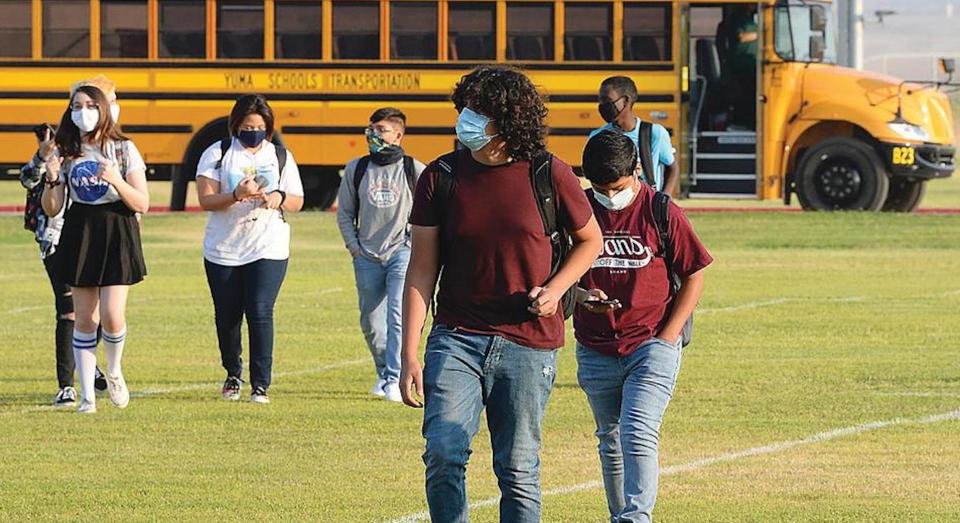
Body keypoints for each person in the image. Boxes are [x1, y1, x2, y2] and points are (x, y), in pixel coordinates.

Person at [399, 66, 603, 522]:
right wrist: (408, 351)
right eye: (464, 108)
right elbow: (422, 268)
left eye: (477, 110)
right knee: (444, 453)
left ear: (507, 118)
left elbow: (591, 240)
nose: (465, 118)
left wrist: (555, 290)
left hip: (529, 343)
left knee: (518, 468)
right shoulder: (441, 176)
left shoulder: (549, 173)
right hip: (456, 337)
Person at [574, 131, 712, 522]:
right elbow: (561, 273)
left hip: (651, 341)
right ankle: (621, 515)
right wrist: (584, 299)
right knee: (611, 440)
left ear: (637, 170)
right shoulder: (580, 210)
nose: (608, 195)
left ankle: (636, 518)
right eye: (599, 187)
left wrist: (668, 338)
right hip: (595, 344)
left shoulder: (661, 211)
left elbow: (695, 274)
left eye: (615, 187)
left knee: (637, 431)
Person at [40, 85, 149, 414]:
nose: (82, 111)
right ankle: (87, 397)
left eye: (90, 105)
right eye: (76, 106)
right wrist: (52, 179)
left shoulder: (123, 149)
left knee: (113, 316)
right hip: (80, 230)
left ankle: (114, 371)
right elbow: (52, 208)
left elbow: (141, 202)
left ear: (104, 109)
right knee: (85, 319)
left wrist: (116, 180)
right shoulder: (67, 150)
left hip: (116, 229)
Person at [196, 94, 304, 405]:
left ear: (268, 129)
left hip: (267, 246)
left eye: (258, 126)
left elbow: (297, 200)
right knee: (227, 316)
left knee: (260, 311)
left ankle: (261, 384)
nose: (252, 132)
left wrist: (279, 197)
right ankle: (232, 372)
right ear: (235, 125)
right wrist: (235, 194)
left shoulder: (280, 156)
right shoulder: (218, 153)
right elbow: (205, 199)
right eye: (246, 126)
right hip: (223, 247)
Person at [336, 107, 425, 402]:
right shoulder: (357, 169)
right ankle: (383, 371)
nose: (374, 135)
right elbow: (346, 213)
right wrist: (354, 247)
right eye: (371, 129)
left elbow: (428, 215)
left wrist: (413, 245)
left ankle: (394, 378)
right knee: (372, 322)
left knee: (398, 316)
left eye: (381, 130)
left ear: (398, 135)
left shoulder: (414, 169)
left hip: (402, 251)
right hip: (367, 254)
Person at [590, 76, 679, 194]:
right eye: (600, 100)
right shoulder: (597, 136)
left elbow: (672, 167)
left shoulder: (654, 133)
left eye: (607, 100)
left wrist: (665, 197)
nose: (602, 105)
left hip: (646, 204)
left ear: (626, 100)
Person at [717, 5, 758, 128]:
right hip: (742, 66)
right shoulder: (738, 19)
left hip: (753, 65)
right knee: (747, 96)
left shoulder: (752, 20)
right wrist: (762, 34)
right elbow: (741, 37)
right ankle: (743, 122)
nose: (754, 6)